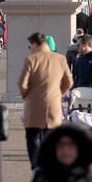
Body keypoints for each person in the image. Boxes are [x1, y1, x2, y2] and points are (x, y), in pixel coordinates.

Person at [18, 32, 73, 168]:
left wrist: (26, 95)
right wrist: (58, 94)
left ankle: (36, 167)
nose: (30, 48)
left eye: (30, 46)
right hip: (53, 104)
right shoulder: (60, 59)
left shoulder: (31, 59)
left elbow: (22, 84)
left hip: (34, 104)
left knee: (32, 137)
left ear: (36, 44)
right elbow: (69, 82)